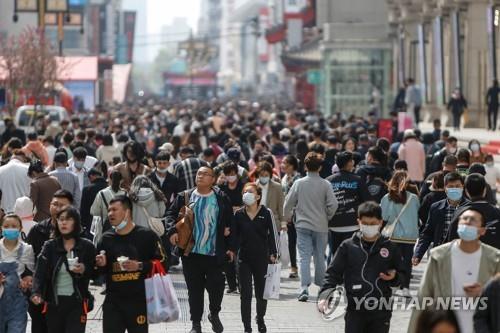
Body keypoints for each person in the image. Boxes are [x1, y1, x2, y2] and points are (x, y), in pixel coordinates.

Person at [318, 202, 406, 333]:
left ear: (380, 222)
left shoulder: (390, 247)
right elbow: (332, 273)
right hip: (355, 309)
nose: (369, 227)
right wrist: (325, 295)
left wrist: (395, 277)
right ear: (359, 222)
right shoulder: (347, 246)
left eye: (373, 224)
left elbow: (403, 275)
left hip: (381, 309)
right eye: (365, 223)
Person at [408, 208, 500, 333]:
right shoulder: (438, 256)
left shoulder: (495, 258)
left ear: (482, 230)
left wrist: (484, 291)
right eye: (464, 219)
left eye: (473, 220)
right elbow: (424, 296)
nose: (467, 222)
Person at [166, 166, 232, 333]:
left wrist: (231, 246)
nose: (201, 176)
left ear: (213, 179)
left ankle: (214, 313)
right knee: (194, 291)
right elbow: (170, 215)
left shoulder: (221, 198)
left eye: (205, 174)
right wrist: (172, 231)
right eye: (199, 173)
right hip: (191, 253)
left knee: (216, 287)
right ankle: (196, 324)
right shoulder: (185, 196)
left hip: (214, 254)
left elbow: (231, 223)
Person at [95, 195, 166, 333]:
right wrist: (101, 265)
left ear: (127, 212)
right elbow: (97, 274)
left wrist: (139, 266)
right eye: (109, 210)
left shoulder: (147, 236)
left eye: (115, 210)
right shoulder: (105, 239)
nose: (110, 214)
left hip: (139, 301)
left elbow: (164, 263)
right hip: (113, 303)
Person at [31, 207, 96, 333]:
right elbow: (39, 273)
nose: (63, 223)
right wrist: (36, 293)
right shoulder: (49, 246)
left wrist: (84, 269)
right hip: (53, 303)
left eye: (68, 219)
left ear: (76, 222)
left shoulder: (87, 246)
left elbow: (96, 274)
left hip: (77, 303)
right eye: (60, 219)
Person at [284, 152, 338, 302]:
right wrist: (327, 216)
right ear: (320, 167)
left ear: (305, 166)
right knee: (320, 257)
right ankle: (321, 286)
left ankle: (304, 288)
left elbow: (288, 203)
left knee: (304, 257)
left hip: (302, 224)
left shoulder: (299, 183)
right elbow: (333, 204)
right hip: (321, 225)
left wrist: (287, 217)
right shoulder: (325, 184)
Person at [229, 183, 278, 333]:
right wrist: (230, 249)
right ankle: (247, 326)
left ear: (257, 196)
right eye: (244, 192)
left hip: (262, 258)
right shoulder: (238, 214)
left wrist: (274, 253)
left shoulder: (266, 212)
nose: (246, 194)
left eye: (250, 192)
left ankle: (261, 318)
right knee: (245, 294)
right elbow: (234, 237)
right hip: (243, 258)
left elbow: (273, 234)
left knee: (261, 292)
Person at [25, 189, 73, 333]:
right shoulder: (37, 230)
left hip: (65, 293)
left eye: (62, 205)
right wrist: (28, 277)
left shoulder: (76, 233)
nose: (57, 208)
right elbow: (27, 258)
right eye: (55, 204)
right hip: (40, 292)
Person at [413, 172, 469, 264]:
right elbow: (427, 233)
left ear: (462, 187)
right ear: (445, 188)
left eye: (457, 186)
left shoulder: (469, 208)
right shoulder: (436, 207)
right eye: (451, 186)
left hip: (462, 256)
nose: (454, 189)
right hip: (440, 255)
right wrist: (418, 254)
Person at [381, 170, 420, 297]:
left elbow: (384, 216)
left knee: (390, 261)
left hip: (392, 235)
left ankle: (392, 285)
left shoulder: (387, 198)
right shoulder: (413, 198)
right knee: (406, 262)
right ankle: (405, 287)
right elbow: (417, 215)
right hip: (410, 235)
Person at [0, 214, 35, 333]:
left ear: (20, 228)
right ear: (1, 228)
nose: (10, 228)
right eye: (6, 226)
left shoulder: (26, 249)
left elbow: (31, 272)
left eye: (14, 226)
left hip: (17, 304)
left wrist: (28, 281)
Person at [326, 151, 364, 261]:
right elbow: (366, 201)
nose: (353, 162)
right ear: (349, 163)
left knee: (336, 256)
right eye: (351, 160)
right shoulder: (358, 180)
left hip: (333, 224)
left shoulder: (328, 180)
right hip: (353, 224)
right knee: (352, 256)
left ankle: (337, 277)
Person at [280, 155, 301, 278]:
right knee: (291, 242)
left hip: (298, 215)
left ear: (292, 166)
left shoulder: (298, 179)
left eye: (285, 163)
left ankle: (301, 265)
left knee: (301, 242)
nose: (282, 165)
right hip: (288, 216)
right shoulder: (284, 178)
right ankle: (294, 267)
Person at [255, 161, 285, 232]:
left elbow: (281, 206)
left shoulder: (277, 187)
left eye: (266, 175)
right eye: (262, 175)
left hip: (273, 222)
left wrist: (283, 223)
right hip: (256, 223)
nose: (264, 177)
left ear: (270, 175)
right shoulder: (253, 187)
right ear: (258, 175)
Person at [80, 168, 108, 238]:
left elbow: (83, 209)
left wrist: (83, 223)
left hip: (92, 222)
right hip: (108, 221)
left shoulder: (87, 189)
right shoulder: (108, 187)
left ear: (91, 176)